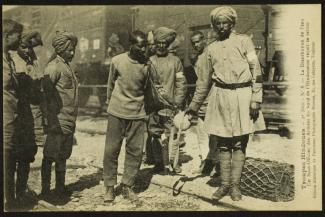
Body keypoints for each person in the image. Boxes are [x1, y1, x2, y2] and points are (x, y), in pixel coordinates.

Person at [186, 6, 265, 201]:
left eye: (226, 23)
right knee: (223, 144)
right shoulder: (210, 49)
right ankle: (224, 185)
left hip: (243, 96)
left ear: (232, 24)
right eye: (218, 23)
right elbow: (203, 82)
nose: (222, 27)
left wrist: (256, 98)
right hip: (220, 96)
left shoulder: (244, 41)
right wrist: (193, 107)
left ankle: (235, 186)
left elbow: (256, 71)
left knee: (239, 143)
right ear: (214, 25)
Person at [103, 30, 148, 203]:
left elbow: (148, 88)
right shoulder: (117, 61)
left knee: (135, 151)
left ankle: (127, 186)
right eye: (140, 46)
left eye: (145, 46)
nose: (143, 50)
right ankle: (109, 187)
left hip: (137, 113)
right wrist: (111, 104)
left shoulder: (146, 65)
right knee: (111, 150)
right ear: (131, 44)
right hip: (117, 111)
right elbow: (110, 84)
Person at [40, 30, 78, 199]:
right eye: (69, 50)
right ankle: (46, 191)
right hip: (58, 120)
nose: (72, 52)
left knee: (63, 155)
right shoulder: (54, 67)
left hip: (68, 119)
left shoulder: (66, 65)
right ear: (60, 50)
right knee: (50, 156)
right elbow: (45, 95)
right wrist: (49, 119)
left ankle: (60, 188)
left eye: (73, 49)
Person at [7, 31, 44, 207]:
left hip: (29, 116)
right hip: (16, 115)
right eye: (23, 47)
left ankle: (21, 192)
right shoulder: (12, 61)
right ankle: (11, 197)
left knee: (27, 155)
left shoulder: (33, 62)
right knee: (12, 156)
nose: (27, 51)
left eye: (29, 48)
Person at [147, 27, 187, 174]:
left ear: (168, 44)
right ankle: (158, 163)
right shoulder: (149, 62)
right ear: (155, 44)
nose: (161, 46)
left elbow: (181, 84)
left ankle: (174, 163)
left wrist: (177, 101)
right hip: (154, 107)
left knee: (173, 135)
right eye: (159, 43)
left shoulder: (176, 61)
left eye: (164, 43)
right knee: (155, 135)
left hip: (171, 106)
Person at [189, 31, 219, 176]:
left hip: (212, 98)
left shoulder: (210, 54)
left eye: (198, 41)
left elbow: (207, 82)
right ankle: (205, 163)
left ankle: (215, 164)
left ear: (204, 40)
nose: (196, 45)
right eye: (193, 43)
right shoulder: (196, 58)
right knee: (201, 133)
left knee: (214, 134)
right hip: (202, 100)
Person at [3, 19, 25, 211]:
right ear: (6, 35)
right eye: (17, 36)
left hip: (11, 118)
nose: (19, 39)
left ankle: (10, 202)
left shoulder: (7, 58)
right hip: (4, 121)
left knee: (9, 160)